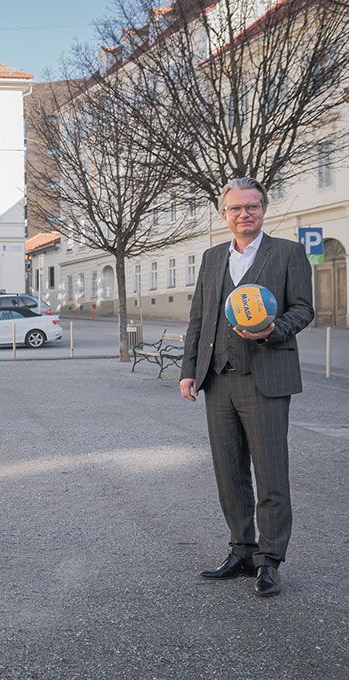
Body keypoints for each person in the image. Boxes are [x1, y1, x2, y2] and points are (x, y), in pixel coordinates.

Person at [180, 177, 314, 598]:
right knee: (229, 473)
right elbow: (199, 319)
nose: (245, 214)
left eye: (253, 206)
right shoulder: (212, 257)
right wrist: (189, 371)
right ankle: (242, 549)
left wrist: (275, 330)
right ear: (224, 215)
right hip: (218, 379)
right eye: (236, 208)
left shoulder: (288, 254)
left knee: (271, 473)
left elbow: (304, 309)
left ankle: (270, 561)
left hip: (267, 379)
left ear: (263, 210)